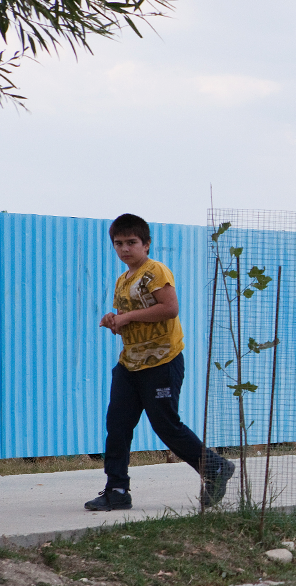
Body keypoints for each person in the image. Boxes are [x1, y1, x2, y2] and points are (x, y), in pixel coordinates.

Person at [85, 213, 234, 511]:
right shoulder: (123, 280)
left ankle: (214, 466)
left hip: (162, 361)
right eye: (118, 243)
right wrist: (114, 320)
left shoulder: (155, 272)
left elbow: (169, 308)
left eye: (132, 242)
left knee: (166, 425)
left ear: (146, 244)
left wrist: (125, 317)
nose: (125, 249)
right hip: (130, 364)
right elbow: (133, 318)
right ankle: (116, 489)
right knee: (117, 425)